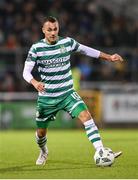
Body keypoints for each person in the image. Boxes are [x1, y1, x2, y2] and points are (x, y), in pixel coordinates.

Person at [23, 16, 123, 165]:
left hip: (67, 93)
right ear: (43, 30)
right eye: (49, 29)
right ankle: (44, 151)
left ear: (58, 29)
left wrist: (109, 57)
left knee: (86, 116)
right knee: (41, 133)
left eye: (55, 29)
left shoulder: (67, 42)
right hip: (47, 97)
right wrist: (34, 82)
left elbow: (86, 50)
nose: (53, 32)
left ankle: (101, 151)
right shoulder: (37, 48)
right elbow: (25, 72)